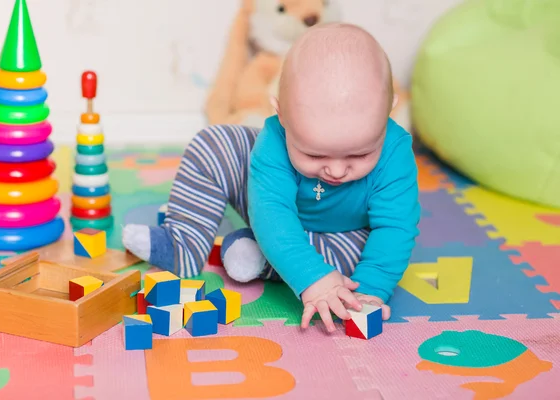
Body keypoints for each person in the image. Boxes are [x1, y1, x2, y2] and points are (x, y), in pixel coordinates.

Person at [122, 22, 421, 332]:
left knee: (364, 258)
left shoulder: (395, 151)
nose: (335, 170)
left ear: (388, 114)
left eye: (359, 154)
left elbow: (395, 228)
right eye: (315, 154)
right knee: (212, 144)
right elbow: (271, 213)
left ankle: (267, 259)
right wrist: (311, 276)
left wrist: (370, 291)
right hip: (269, 212)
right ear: (282, 116)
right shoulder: (274, 141)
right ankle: (184, 242)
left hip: (346, 235)